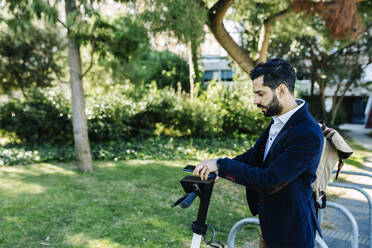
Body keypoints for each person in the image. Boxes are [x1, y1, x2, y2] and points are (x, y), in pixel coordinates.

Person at [193, 58, 324, 248]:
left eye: (260, 94)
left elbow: (270, 180)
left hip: (291, 234)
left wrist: (222, 165)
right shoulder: (280, 120)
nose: (255, 101)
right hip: (270, 226)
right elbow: (255, 156)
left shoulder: (308, 132)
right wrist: (218, 168)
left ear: (281, 90)